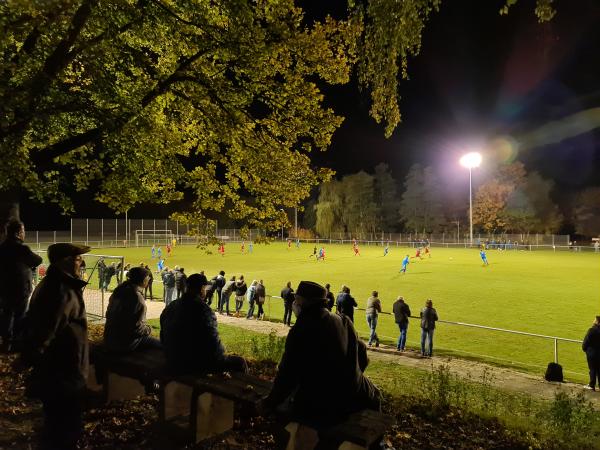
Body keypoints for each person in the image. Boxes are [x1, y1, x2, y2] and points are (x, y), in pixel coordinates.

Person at [262, 281, 381, 428]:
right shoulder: (343, 320)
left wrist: (269, 402)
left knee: (285, 412)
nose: (294, 302)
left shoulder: (300, 330)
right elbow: (362, 353)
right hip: (355, 396)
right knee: (375, 394)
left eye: (296, 298)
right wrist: (352, 376)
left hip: (321, 405)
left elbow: (287, 374)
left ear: (302, 301)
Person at [20, 243, 91, 450]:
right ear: (65, 261)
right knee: (65, 428)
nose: (81, 263)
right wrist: (31, 359)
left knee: (59, 425)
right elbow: (44, 333)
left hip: (63, 369)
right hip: (63, 371)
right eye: (78, 259)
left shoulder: (58, 285)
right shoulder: (60, 291)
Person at [160, 274, 248, 375]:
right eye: (205, 288)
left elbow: (163, 334)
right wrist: (222, 355)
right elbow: (213, 346)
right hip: (194, 364)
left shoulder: (172, 305)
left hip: (172, 357)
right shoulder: (204, 310)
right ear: (202, 288)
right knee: (240, 362)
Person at [0, 219, 43, 352]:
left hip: (3, 288)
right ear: (18, 233)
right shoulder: (21, 248)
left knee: (6, 314)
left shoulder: (2, 248)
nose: (24, 234)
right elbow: (38, 260)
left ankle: (6, 341)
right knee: (20, 315)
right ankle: (17, 344)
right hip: (20, 289)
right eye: (23, 231)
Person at [103, 267, 162, 353]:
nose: (149, 279)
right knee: (162, 346)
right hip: (124, 344)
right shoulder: (137, 298)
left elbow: (108, 315)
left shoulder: (119, 291)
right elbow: (137, 330)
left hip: (109, 338)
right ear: (143, 280)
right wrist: (149, 329)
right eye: (148, 277)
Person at [582, 316, 600, 390]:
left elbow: (586, 342)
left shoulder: (591, 330)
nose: (593, 321)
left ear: (597, 322)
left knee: (592, 369)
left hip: (591, 354)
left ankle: (591, 385)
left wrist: (585, 349)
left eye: (595, 320)